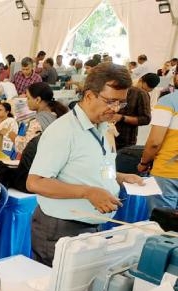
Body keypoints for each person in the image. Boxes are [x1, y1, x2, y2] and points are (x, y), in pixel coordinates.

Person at [27, 63, 143, 267]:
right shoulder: (63, 131)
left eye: (121, 103)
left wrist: (120, 177)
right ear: (89, 96)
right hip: (61, 229)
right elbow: (35, 182)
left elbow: (90, 168)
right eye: (110, 101)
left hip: (91, 226)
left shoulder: (101, 126)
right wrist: (88, 192)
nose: (115, 109)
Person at [0, 82, 69, 193]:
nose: (26, 101)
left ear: (37, 100)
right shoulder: (59, 117)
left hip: (32, 175)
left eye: (28, 98)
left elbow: (24, 147)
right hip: (53, 171)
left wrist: (11, 134)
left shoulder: (37, 122)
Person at [139, 81, 178, 212]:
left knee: (162, 225)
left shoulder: (168, 102)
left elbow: (155, 142)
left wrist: (144, 163)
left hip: (168, 171)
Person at [113, 73, 158, 150]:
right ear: (140, 80)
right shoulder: (124, 88)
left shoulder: (141, 93)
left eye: (148, 90)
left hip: (125, 138)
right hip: (112, 134)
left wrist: (121, 118)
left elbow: (146, 119)